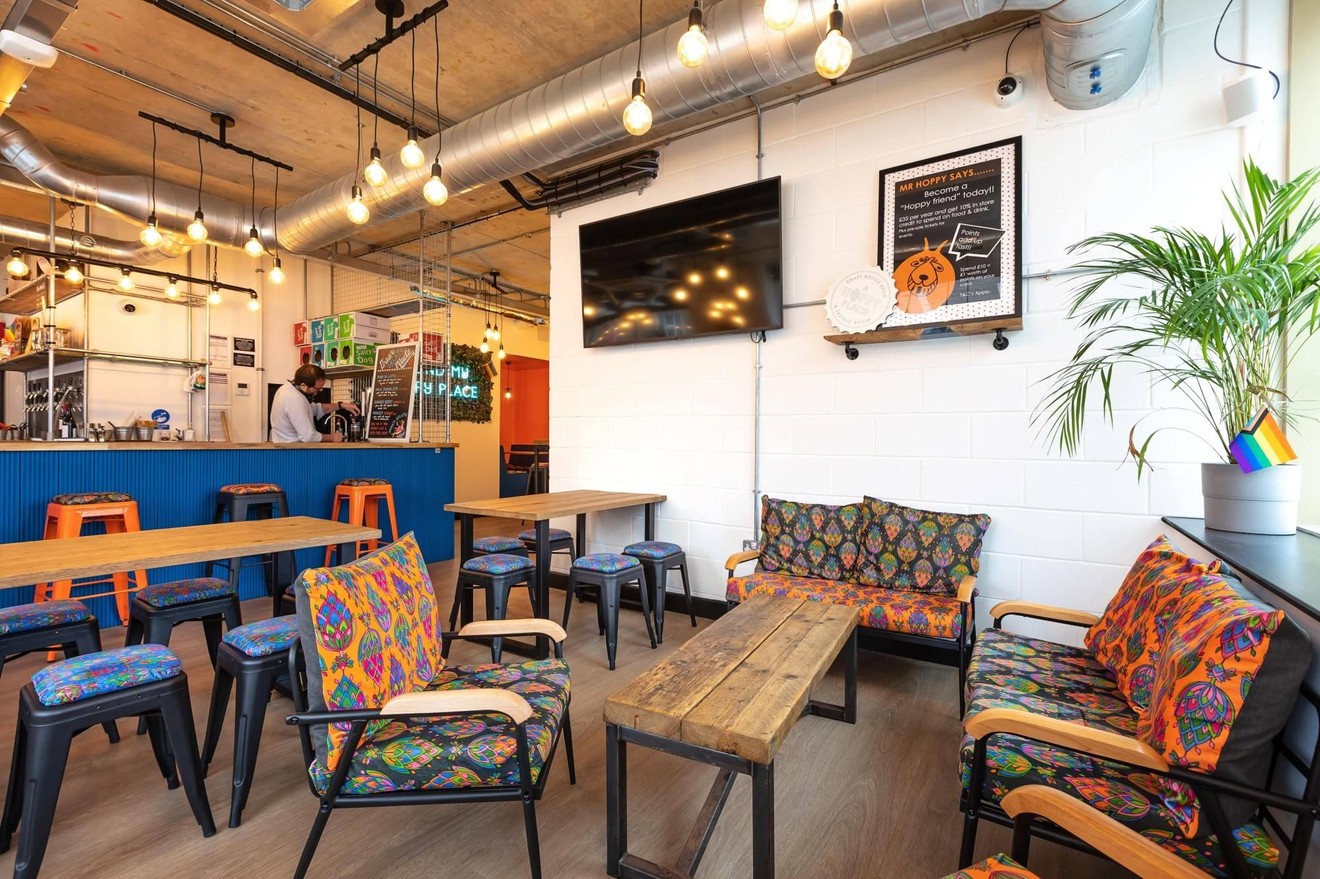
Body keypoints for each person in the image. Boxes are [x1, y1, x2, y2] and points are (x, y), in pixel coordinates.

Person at [269, 364, 360, 443]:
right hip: (292, 451)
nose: (319, 391)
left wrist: (341, 405)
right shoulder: (294, 399)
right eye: (317, 388)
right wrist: (332, 437)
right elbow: (309, 436)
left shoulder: (287, 389)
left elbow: (315, 409)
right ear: (303, 385)